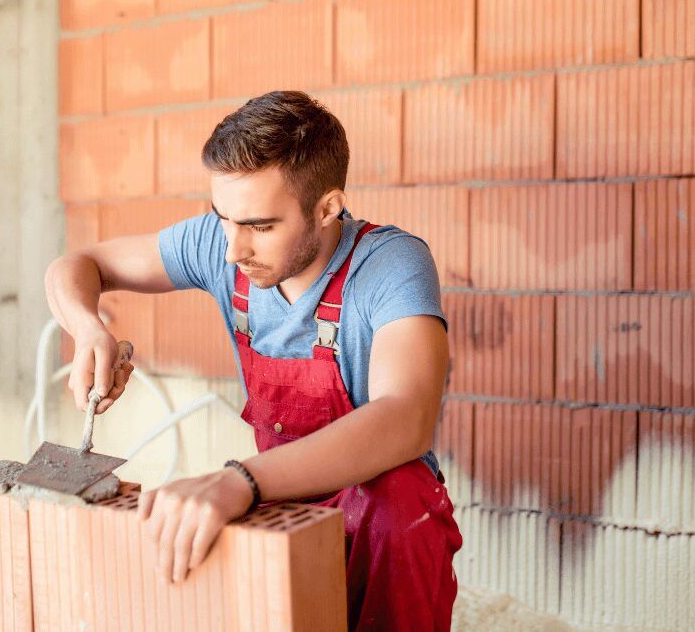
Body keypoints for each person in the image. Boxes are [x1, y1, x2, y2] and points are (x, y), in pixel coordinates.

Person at [44, 90, 463, 631]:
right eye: (223, 218)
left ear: (328, 207)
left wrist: (239, 481)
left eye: (261, 227)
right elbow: (78, 265)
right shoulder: (228, 241)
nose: (231, 251)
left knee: (399, 500)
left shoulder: (390, 264)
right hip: (283, 499)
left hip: (387, 530)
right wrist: (88, 328)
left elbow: (406, 417)